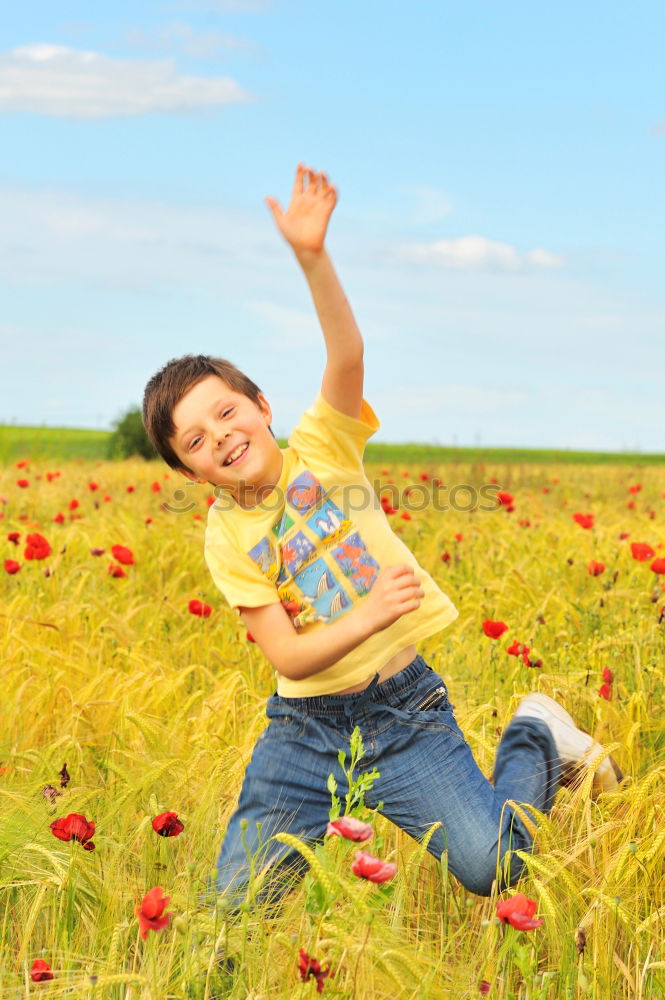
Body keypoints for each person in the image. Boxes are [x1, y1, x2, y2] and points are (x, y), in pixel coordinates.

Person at [141, 164, 622, 905]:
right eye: (196, 441)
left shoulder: (324, 449)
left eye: (227, 413)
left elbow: (347, 355)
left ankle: (534, 735)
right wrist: (366, 613)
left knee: (493, 867)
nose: (221, 438)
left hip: (405, 716)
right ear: (188, 473)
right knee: (234, 910)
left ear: (262, 406)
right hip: (303, 733)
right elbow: (287, 653)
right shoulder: (225, 538)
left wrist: (311, 257)